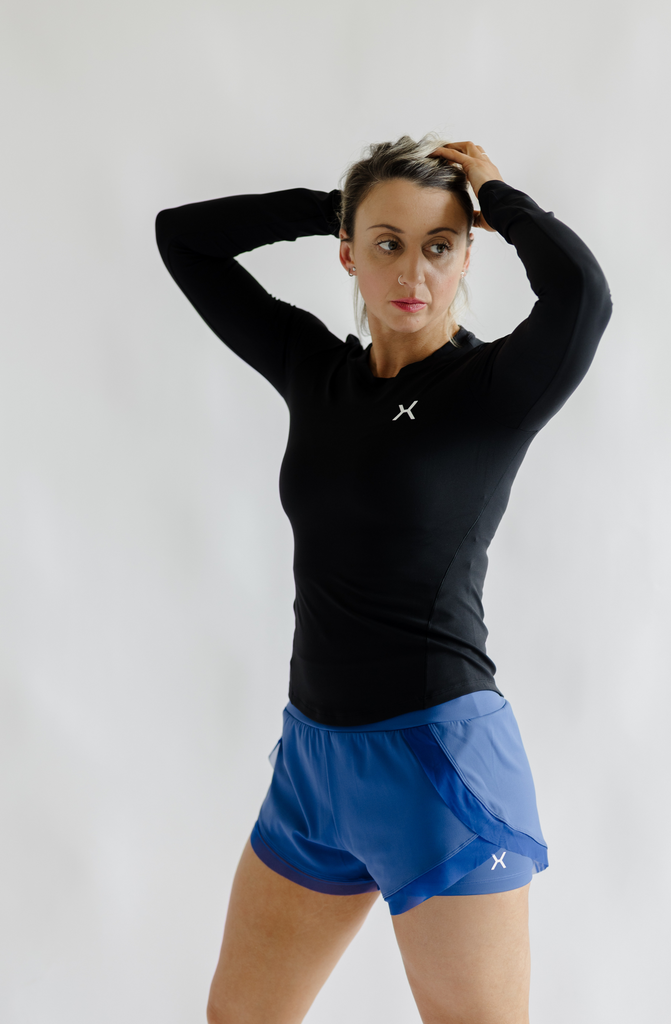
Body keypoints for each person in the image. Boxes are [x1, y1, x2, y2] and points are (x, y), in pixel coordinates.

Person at [155, 135, 612, 1024]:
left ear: (467, 254)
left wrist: (498, 197)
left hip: (434, 767)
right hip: (311, 766)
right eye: (386, 244)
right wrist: (334, 206)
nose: (412, 272)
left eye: (438, 245)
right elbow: (183, 238)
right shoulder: (316, 370)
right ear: (348, 255)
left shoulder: (492, 387)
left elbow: (581, 296)